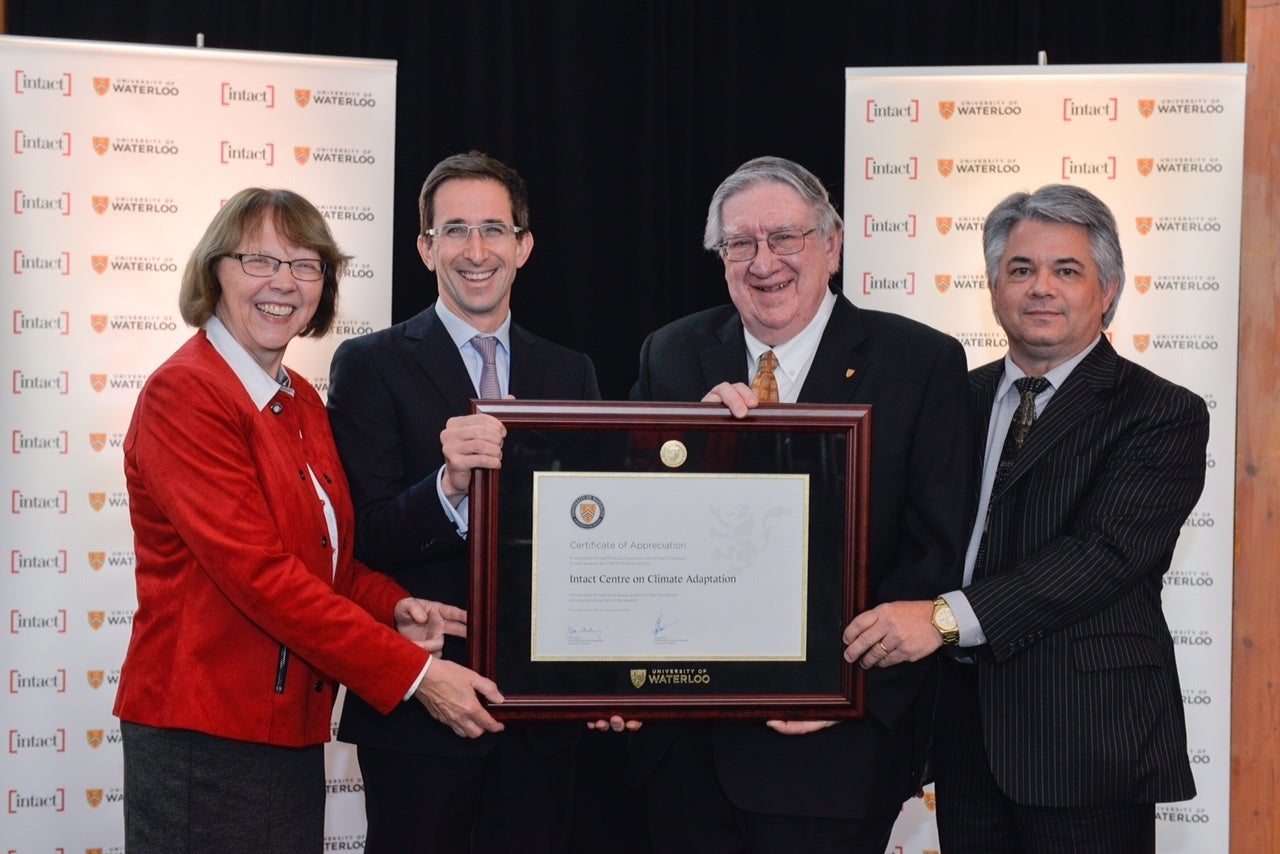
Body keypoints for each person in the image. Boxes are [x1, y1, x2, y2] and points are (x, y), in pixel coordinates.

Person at [113, 187, 504, 853]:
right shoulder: (186, 394)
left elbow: (327, 564)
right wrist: (414, 675)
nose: (283, 284)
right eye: (260, 261)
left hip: (289, 729)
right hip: (203, 739)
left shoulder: (297, 403)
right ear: (216, 271)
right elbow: (261, 577)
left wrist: (397, 608)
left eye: (305, 266)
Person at [843, 184, 1207, 853]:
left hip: (1087, 744)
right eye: (1021, 269)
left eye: (1066, 270)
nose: (1041, 288)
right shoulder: (954, 397)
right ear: (992, 287)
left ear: (1109, 290)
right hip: (961, 738)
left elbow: (1100, 556)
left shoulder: (1161, 411)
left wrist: (943, 617)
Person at [629, 155, 973, 853]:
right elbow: (631, 525)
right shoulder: (671, 354)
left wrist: (842, 689)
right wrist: (684, 448)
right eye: (740, 244)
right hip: (683, 754)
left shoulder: (919, 361)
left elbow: (934, 551)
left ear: (833, 245)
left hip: (833, 754)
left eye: (785, 238)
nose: (764, 263)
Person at [328, 151, 600, 853]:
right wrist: (448, 487)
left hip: (544, 712)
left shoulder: (570, 371)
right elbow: (362, 539)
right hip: (422, 708)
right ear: (425, 248)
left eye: (493, 230)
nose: (475, 251)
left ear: (524, 246)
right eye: (454, 230)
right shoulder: (370, 364)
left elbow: (594, 536)